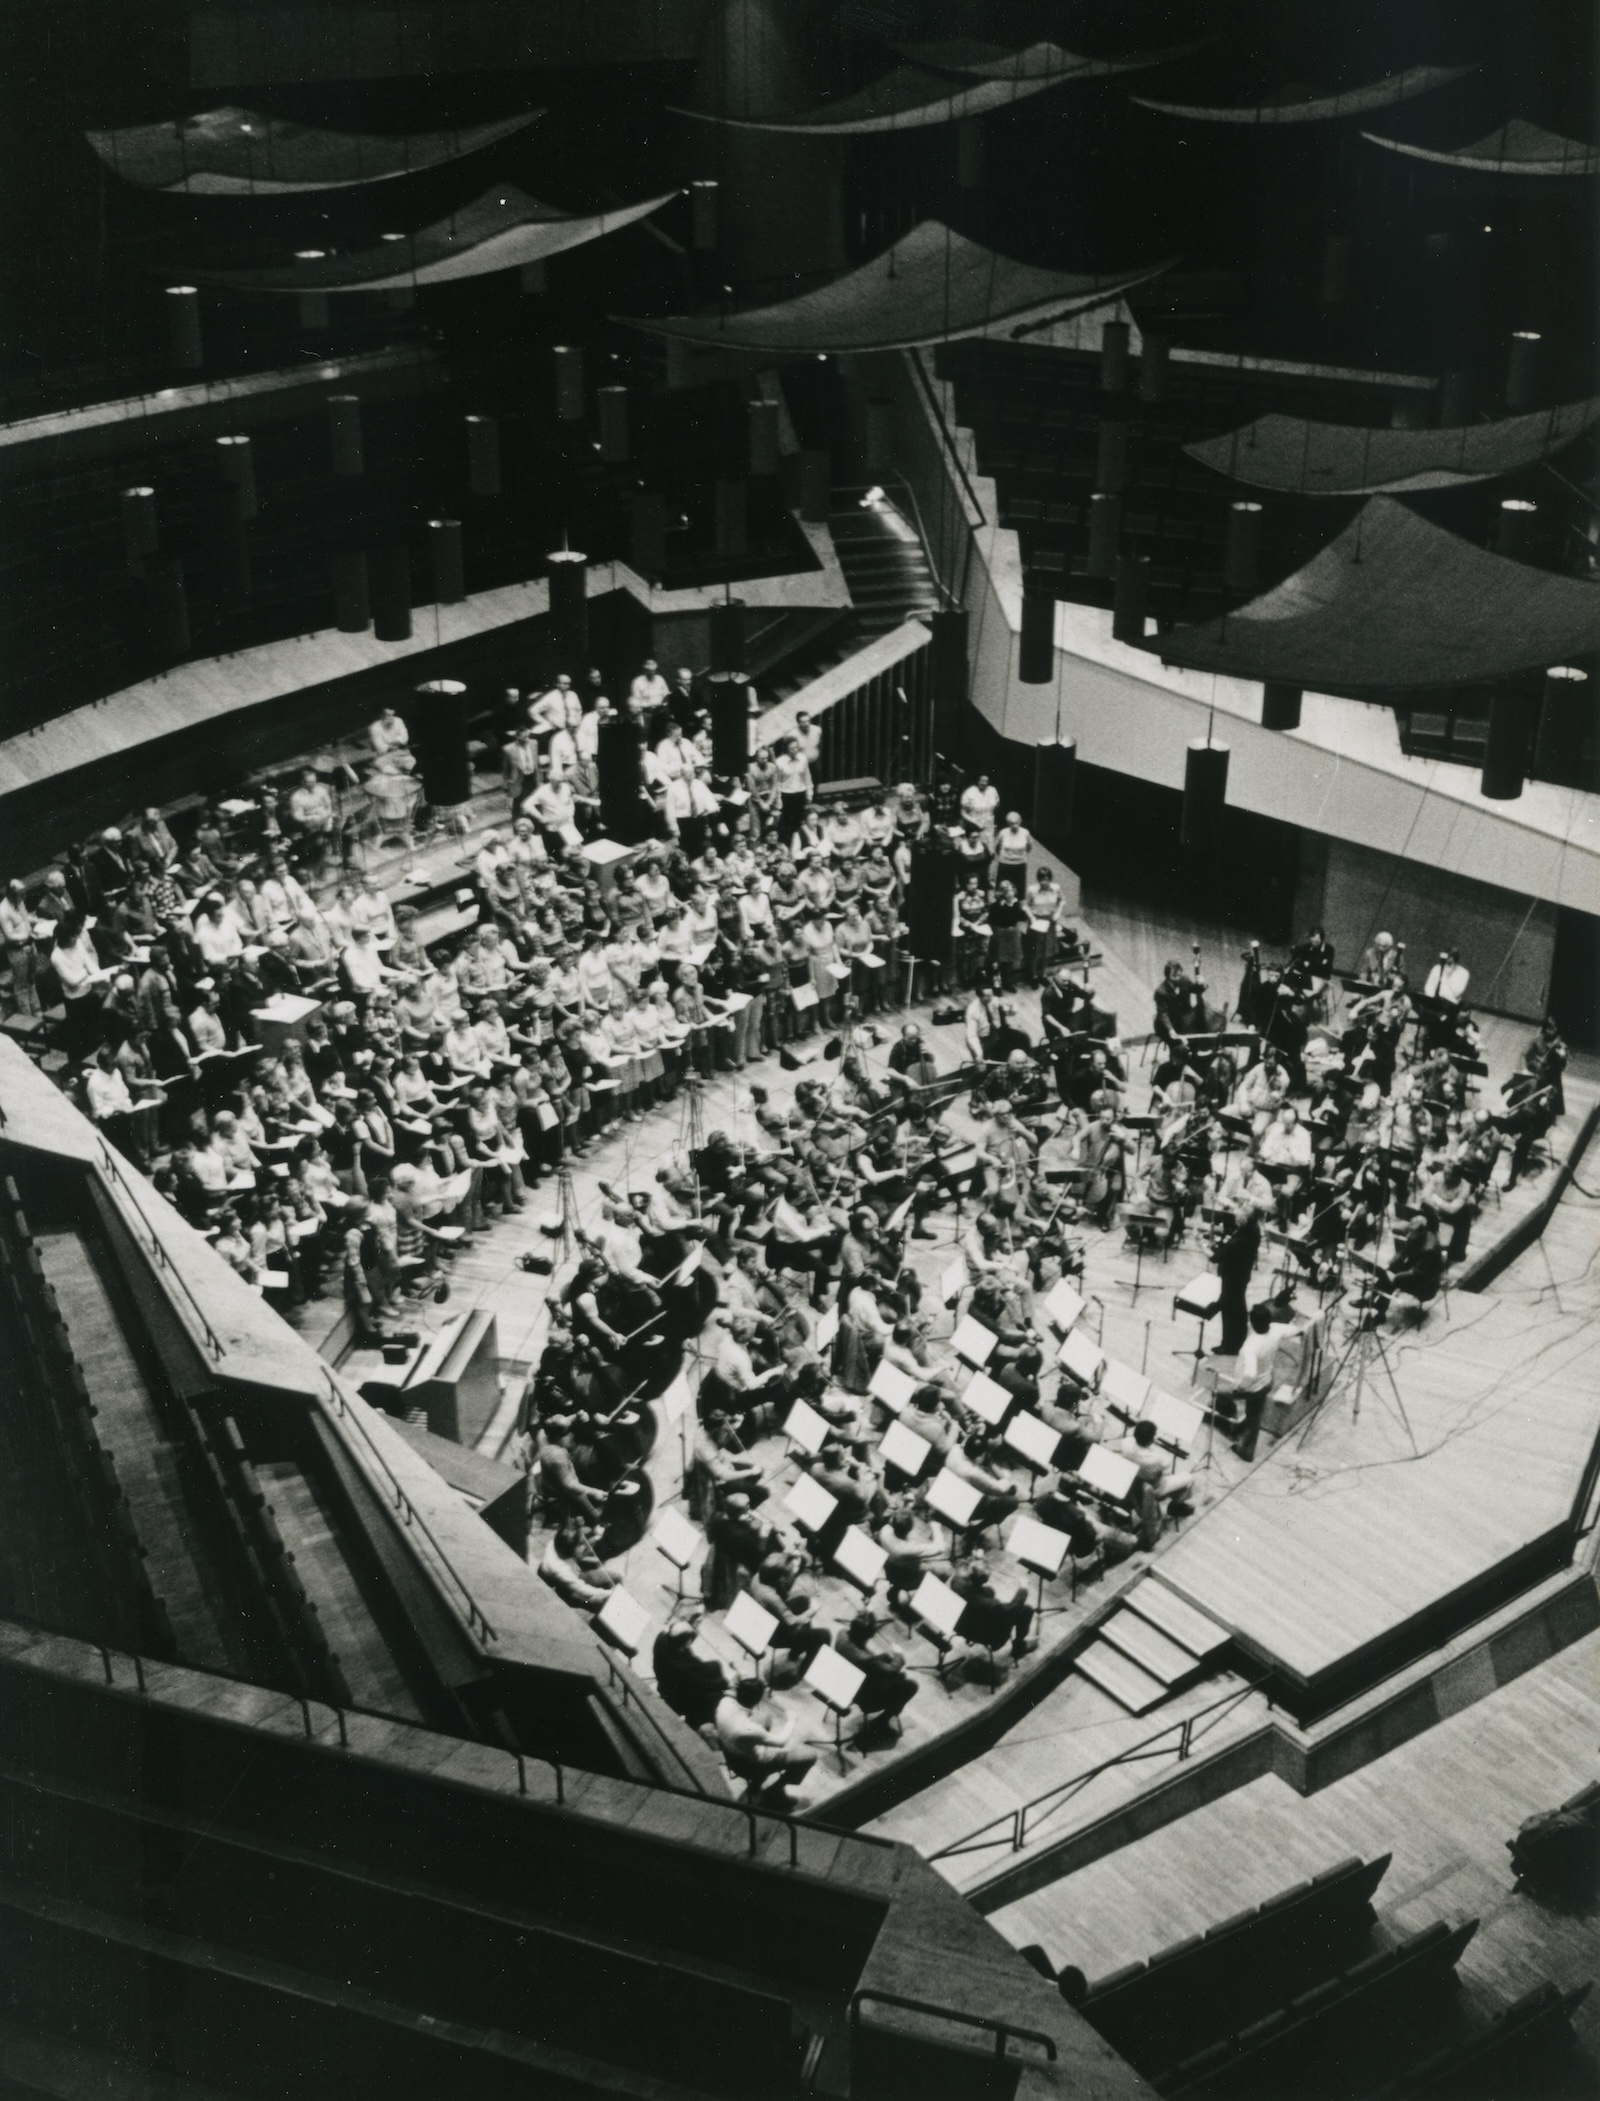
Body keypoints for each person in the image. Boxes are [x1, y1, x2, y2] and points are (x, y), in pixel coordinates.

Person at [713, 1677, 816, 1805]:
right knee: (809, 1756)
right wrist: (791, 1720)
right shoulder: (750, 1729)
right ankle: (775, 1789)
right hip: (749, 1765)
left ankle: (756, 1783)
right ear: (758, 1699)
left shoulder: (725, 1701)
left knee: (766, 1718)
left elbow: (733, 1685)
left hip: (730, 1752)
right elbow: (781, 1741)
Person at [652, 1618, 729, 1730]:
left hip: (667, 1681)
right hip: (680, 1697)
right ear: (687, 1642)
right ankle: (699, 1720)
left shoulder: (662, 1638)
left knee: (715, 1665)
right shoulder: (684, 1669)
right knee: (718, 1695)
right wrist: (725, 1682)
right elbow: (702, 1685)